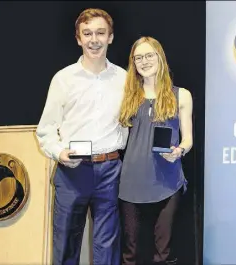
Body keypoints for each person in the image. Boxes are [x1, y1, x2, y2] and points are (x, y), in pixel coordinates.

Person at [36, 8, 128, 265]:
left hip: (111, 170)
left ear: (110, 37)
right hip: (72, 171)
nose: (94, 40)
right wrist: (59, 152)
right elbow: (45, 129)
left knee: (107, 248)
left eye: (100, 33)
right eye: (87, 34)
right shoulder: (63, 79)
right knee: (65, 244)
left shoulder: (125, 79)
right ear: (78, 38)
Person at [118, 36, 193, 265]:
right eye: (138, 57)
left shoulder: (181, 95)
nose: (144, 61)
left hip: (168, 183)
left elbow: (188, 139)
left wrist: (179, 150)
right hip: (131, 185)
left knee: (164, 254)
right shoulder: (127, 96)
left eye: (149, 55)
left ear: (160, 57)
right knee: (131, 253)